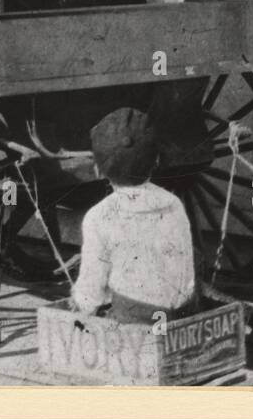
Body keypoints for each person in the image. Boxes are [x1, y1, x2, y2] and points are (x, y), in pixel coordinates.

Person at [72, 107, 197, 325]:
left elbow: (91, 290)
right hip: (180, 313)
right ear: (156, 161)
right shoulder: (174, 204)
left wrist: (80, 304)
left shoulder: (98, 216)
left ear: (97, 170)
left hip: (135, 317)